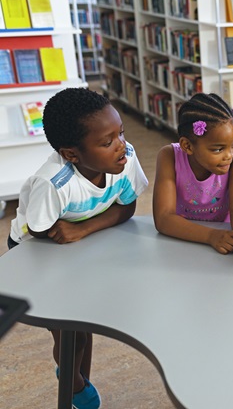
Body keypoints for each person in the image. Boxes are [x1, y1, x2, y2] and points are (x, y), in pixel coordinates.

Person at [8, 87, 149, 409]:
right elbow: (45, 231)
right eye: (107, 142)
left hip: (78, 243)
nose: (122, 147)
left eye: (121, 133)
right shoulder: (53, 182)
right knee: (67, 331)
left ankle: (76, 381)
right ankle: (72, 384)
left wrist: (83, 228)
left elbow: (127, 207)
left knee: (83, 327)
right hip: (34, 251)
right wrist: (77, 233)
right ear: (71, 154)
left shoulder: (125, 160)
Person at [152, 93, 233, 264]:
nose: (229, 155)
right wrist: (211, 236)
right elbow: (164, 219)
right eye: (218, 149)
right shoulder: (169, 156)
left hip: (226, 236)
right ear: (187, 146)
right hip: (183, 237)